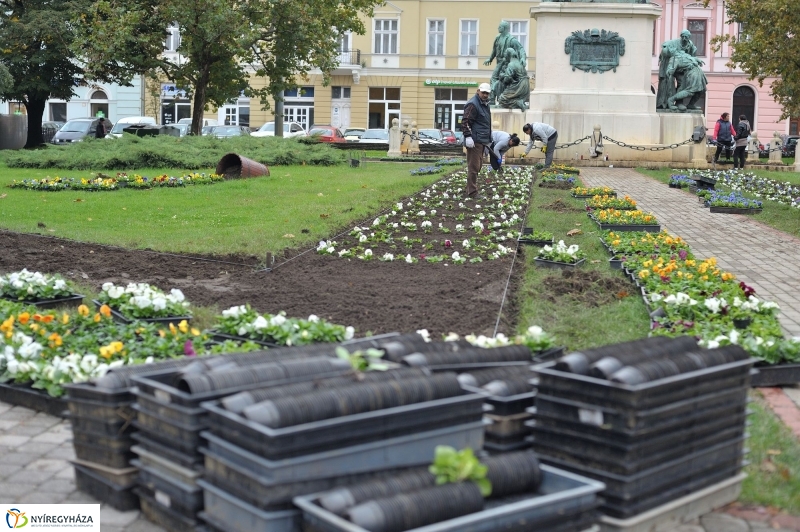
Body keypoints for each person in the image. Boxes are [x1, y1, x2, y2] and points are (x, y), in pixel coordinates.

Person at [461, 83, 493, 199]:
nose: (485, 95)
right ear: (478, 91)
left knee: (477, 166)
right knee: (474, 167)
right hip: (475, 141)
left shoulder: (484, 104)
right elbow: (465, 122)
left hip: (481, 140)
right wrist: (468, 136)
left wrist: (488, 138)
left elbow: (485, 123)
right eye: (483, 92)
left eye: (487, 93)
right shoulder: (473, 104)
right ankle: (472, 192)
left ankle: (469, 189)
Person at [484, 21, 526, 104]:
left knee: (498, 79)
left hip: (507, 63)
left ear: (505, 28)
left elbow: (520, 49)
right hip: (499, 62)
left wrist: (523, 58)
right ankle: (495, 99)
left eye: (500, 27)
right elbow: (494, 50)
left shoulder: (511, 40)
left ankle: (495, 99)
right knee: (497, 79)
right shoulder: (498, 37)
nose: (498, 28)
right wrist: (490, 58)